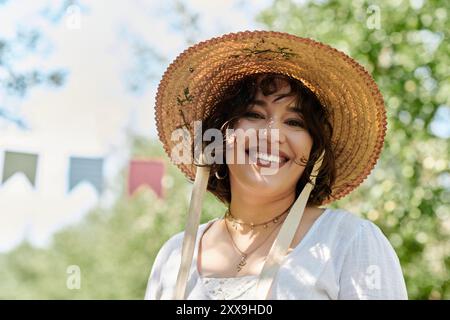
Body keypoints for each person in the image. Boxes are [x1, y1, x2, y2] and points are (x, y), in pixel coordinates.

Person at [145, 31, 408, 300]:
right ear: (220, 138)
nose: (272, 134)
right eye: (255, 115)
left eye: (295, 122)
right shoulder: (173, 255)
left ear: (315, 151)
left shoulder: (350, 241)